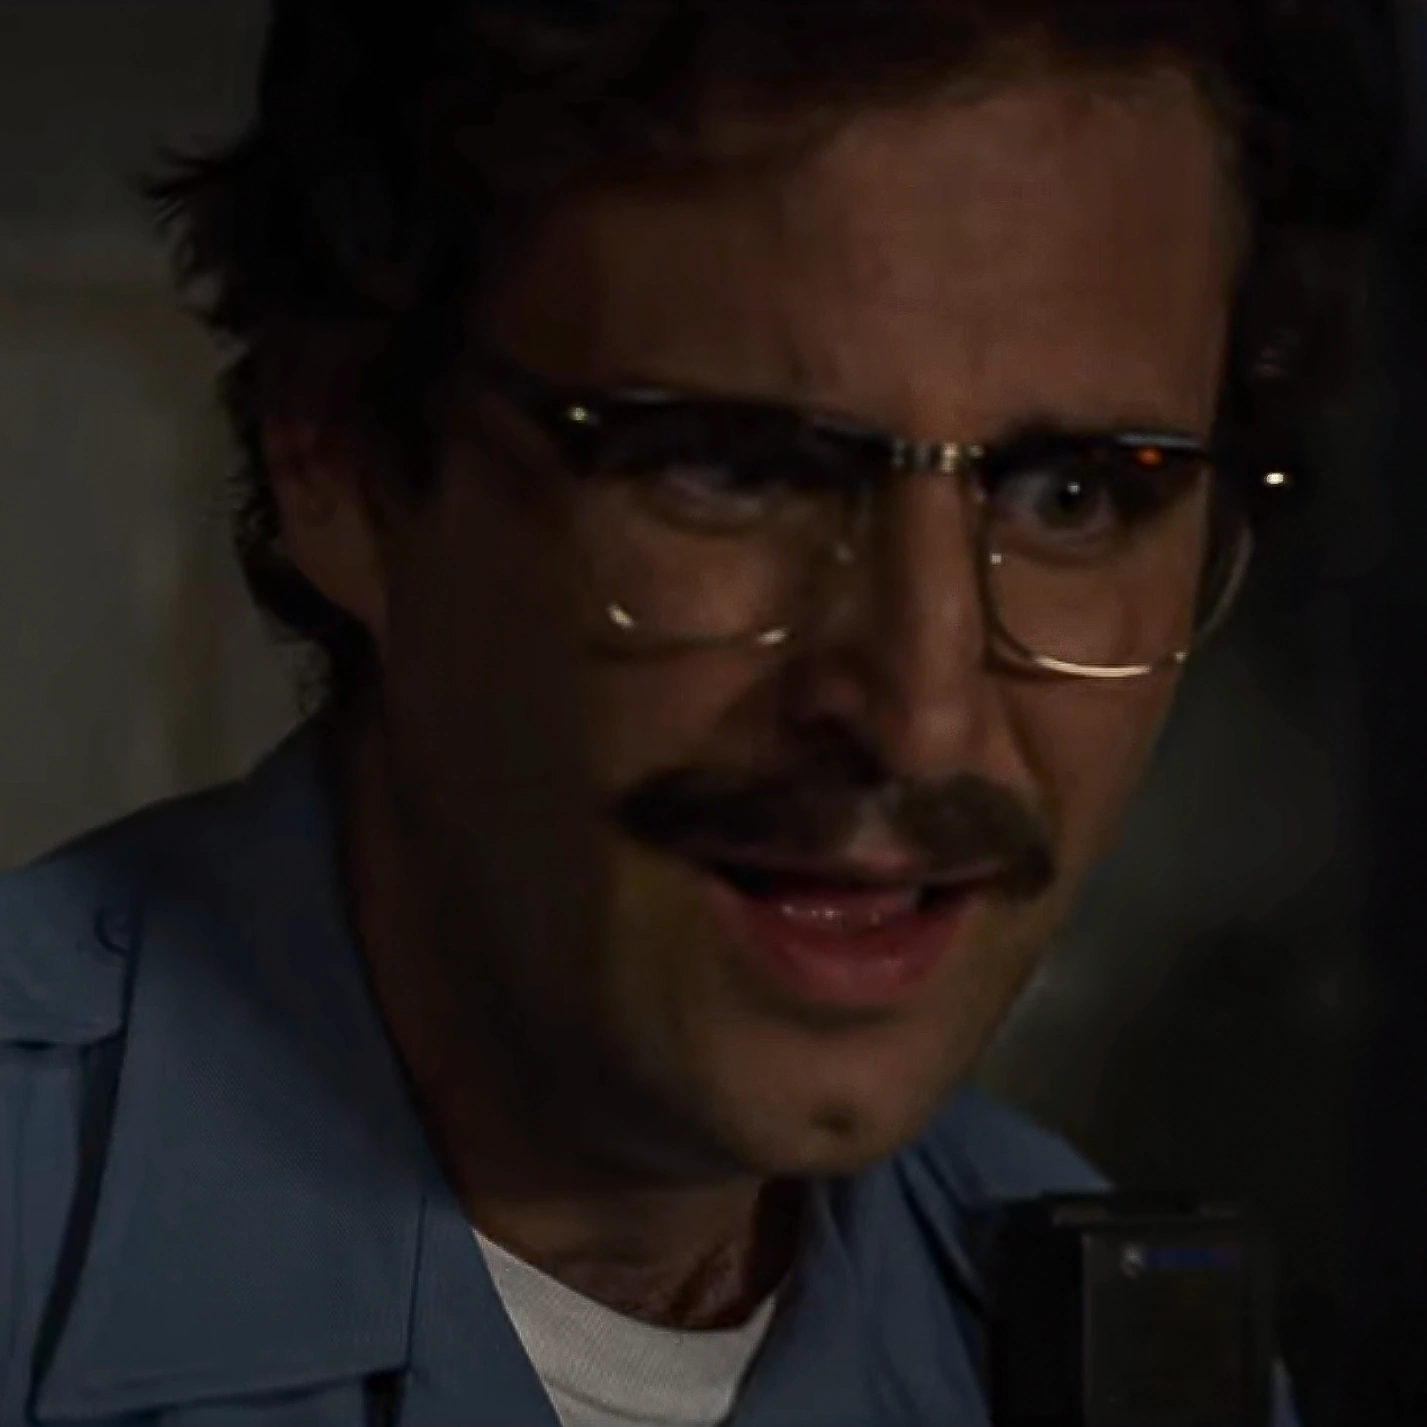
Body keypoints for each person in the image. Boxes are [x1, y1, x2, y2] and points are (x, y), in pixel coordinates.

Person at [0, 1, 1392, 1423]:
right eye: (733, 470)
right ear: (341, 460)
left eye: (1072, 496)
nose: (920, 722)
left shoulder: (1098, 1343)